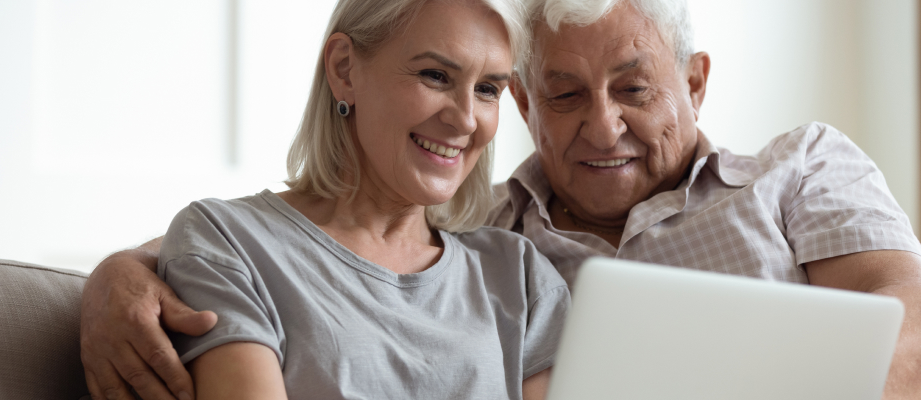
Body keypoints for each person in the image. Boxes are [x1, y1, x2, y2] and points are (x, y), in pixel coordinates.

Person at [81, 0, 921, 399]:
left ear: (695, 83)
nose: (603, 127)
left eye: (634, 88)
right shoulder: (504, 240)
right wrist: (115, 273)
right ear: (527, 109)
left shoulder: (802, 169)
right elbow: (270, 246)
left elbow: (906, 340)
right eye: (562, 96)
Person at [79, 0, 572, 399]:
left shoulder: (520, 276)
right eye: (435, 76)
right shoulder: (230, 241)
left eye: (487, 89)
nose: (466, 119)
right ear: (344, 70)